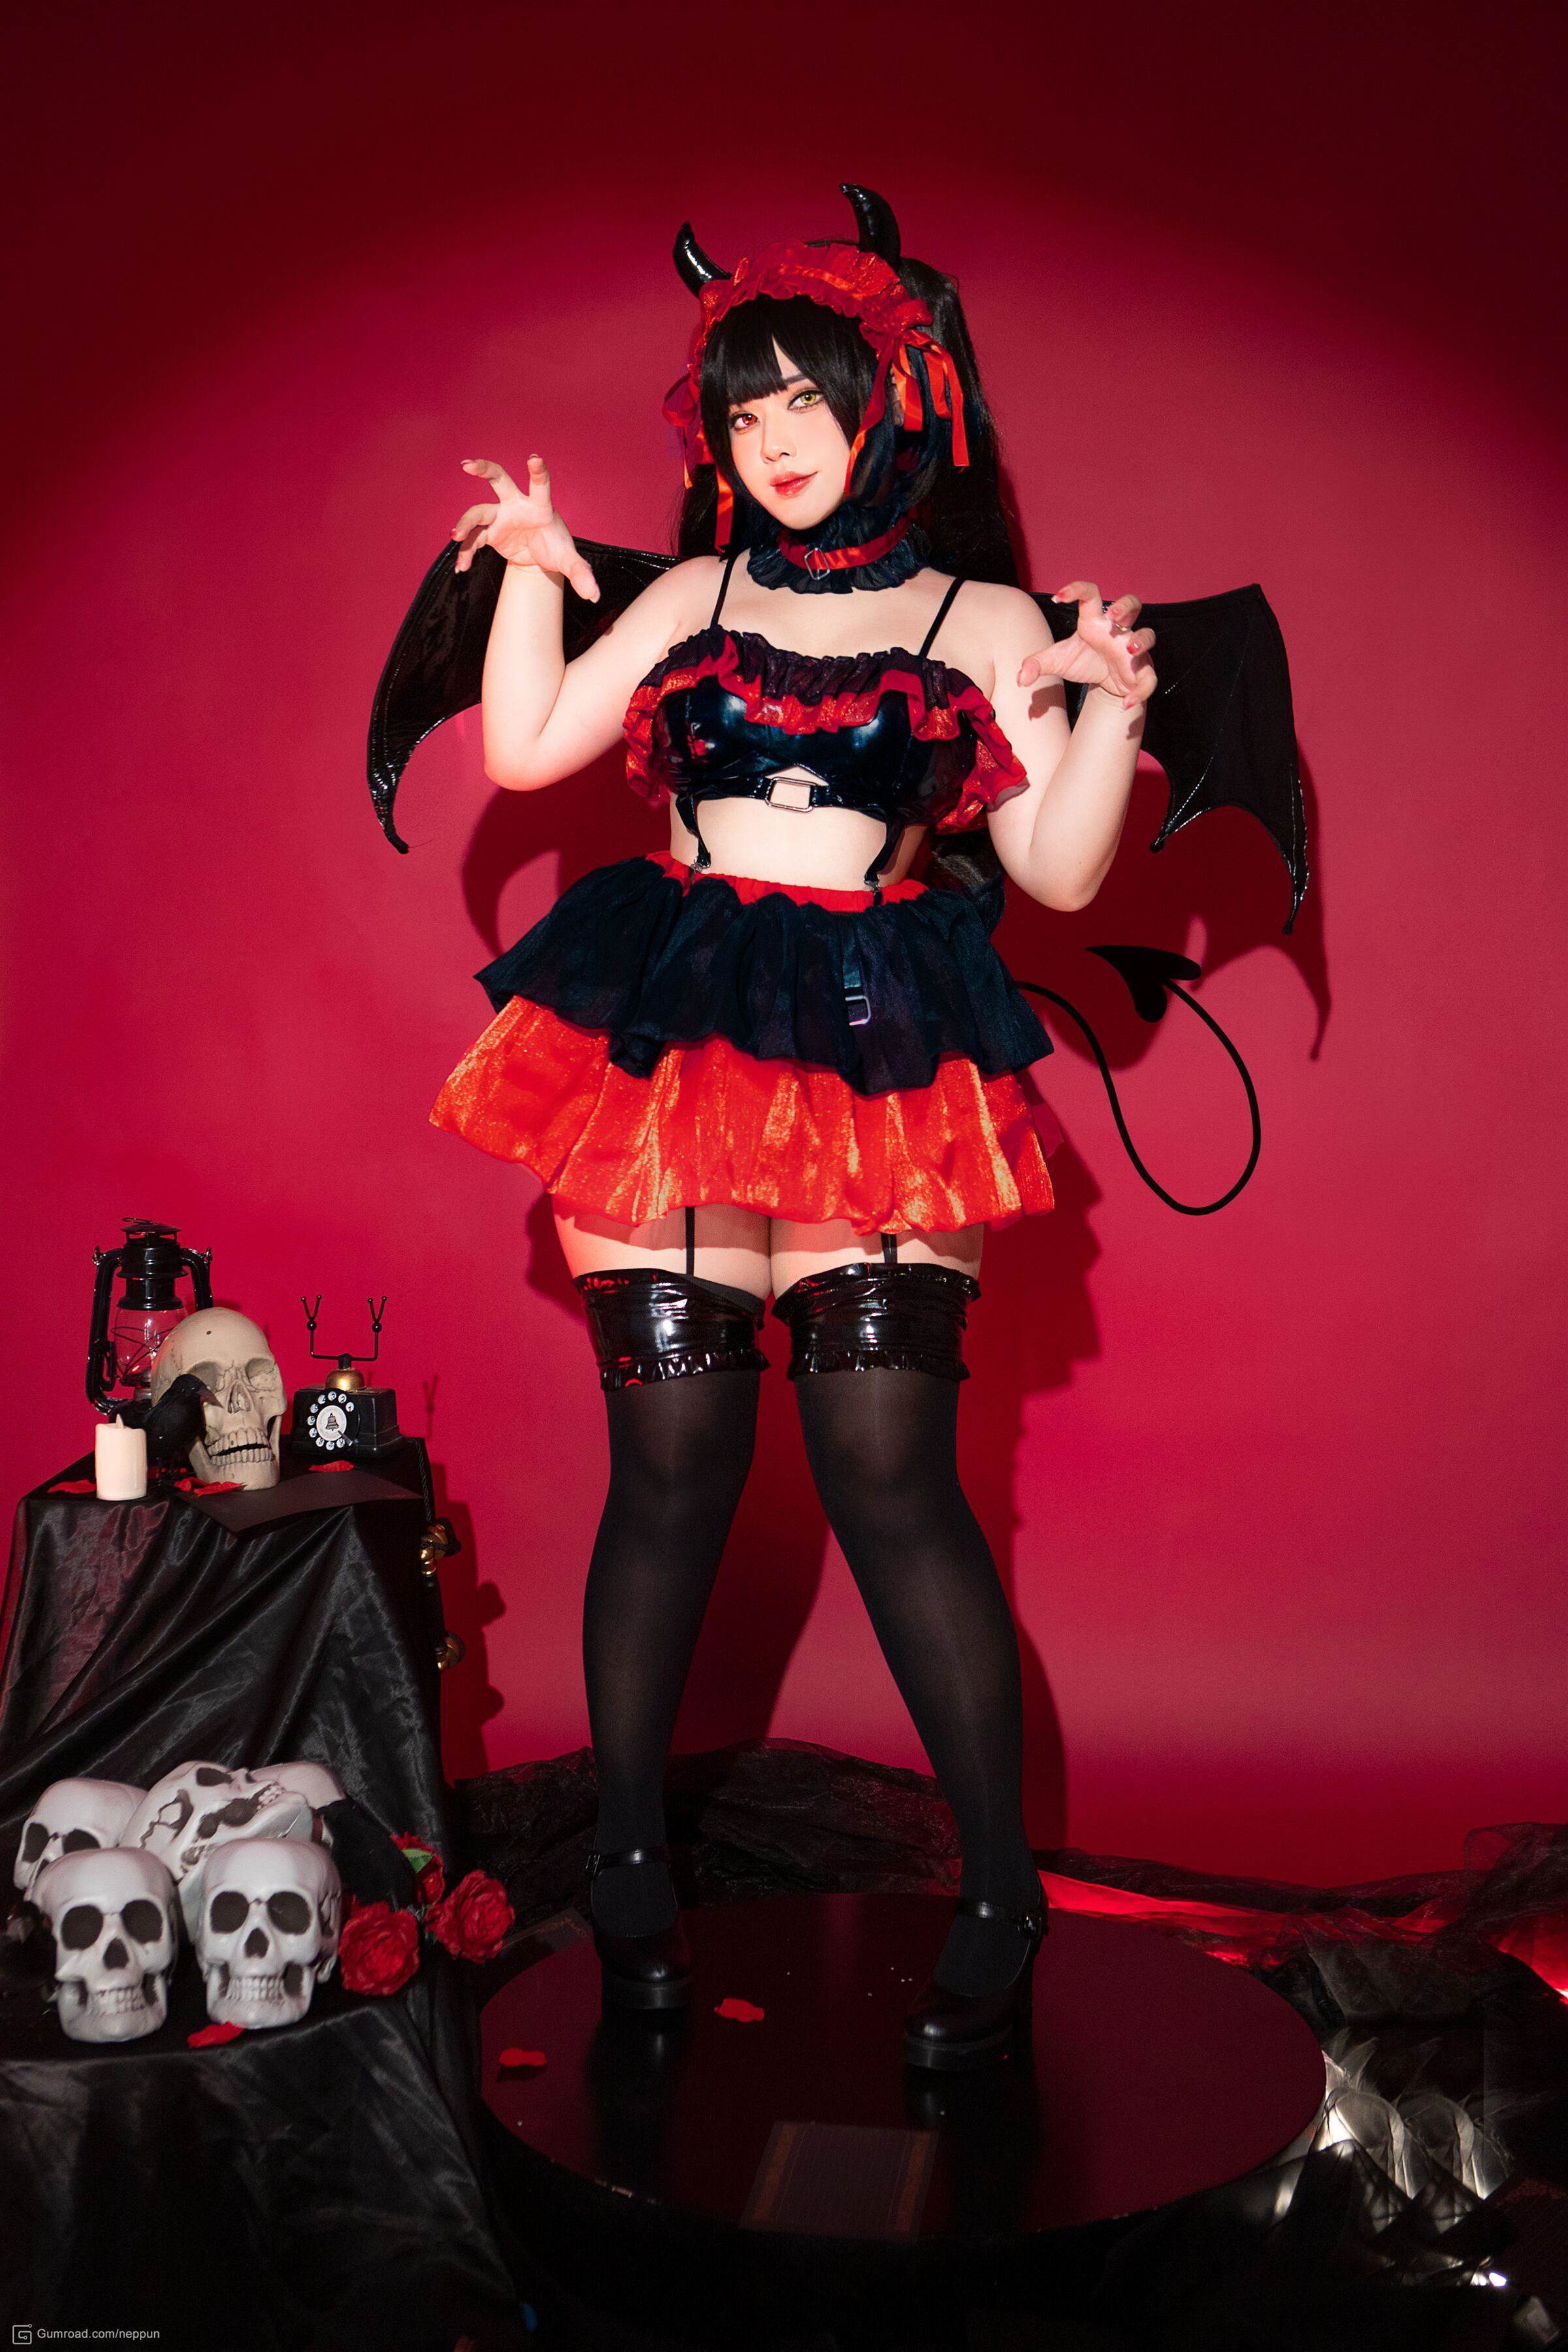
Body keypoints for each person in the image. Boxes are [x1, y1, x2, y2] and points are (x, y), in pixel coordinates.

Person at [429, 193, 1156, 2067]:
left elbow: (1061, 872)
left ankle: (1001, 1889)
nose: (775, 438)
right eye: (744, 410)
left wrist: (1103, 717)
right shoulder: (688, 600)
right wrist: (532, 574)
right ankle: (633, 1869)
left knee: (887, 1472)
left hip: (875, 1043)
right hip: (671, 1026)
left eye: (806, 401)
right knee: (670, 1471)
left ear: (888, 404)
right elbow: (524, 751)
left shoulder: (982, 620)